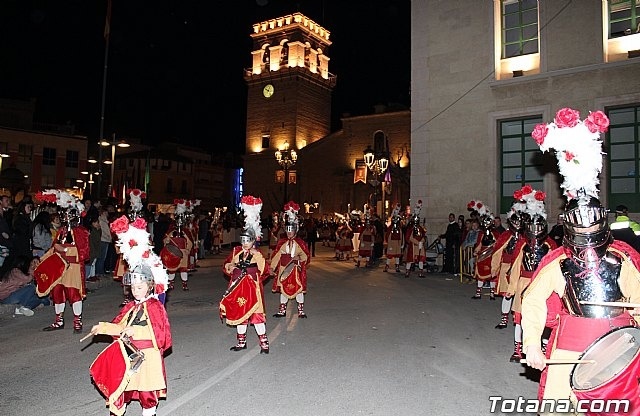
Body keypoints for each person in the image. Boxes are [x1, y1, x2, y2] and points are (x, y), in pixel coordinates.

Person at [522, 107, 640, 406]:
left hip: (619, 343)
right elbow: (534, 301)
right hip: (570, 342)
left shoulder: (620, 259)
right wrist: (532, 345)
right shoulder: (559, 262)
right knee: (559, 408)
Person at [88, 264, 172, 416]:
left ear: (150, 286)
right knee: (120, 389)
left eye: (140, 288)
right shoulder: (131, 307)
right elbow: (120, 326)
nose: (135, 292)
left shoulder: (155, 306)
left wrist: (136, 331)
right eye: (133, 288)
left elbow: (160, 334)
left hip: (147, 357)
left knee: (147, 393)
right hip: (129, 354)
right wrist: (103, 328)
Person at [503, 186, 557, 362]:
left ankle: (543, 348)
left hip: (542, 284)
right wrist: (511, 288)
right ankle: (518, 349)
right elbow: (517, 266)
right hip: (523, 283)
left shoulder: (550, 246)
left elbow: (554, 268)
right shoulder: (523, 245)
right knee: (519, 318)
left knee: (543, 317)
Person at [220, 195, 271, 353]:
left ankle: (264, 343)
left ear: (253, 240)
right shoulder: (236, 251)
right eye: (243, 240)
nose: (244, 243)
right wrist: (231, 266)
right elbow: (227, 266)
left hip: (252, 288)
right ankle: (241, 343)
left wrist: (257, 256)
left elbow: (264, 270)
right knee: (240, 313)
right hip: (238, 286)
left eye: (247, 240)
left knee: (256, 316)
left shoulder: (257, 253)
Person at [38, 191, 90, 333]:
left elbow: (83, 253)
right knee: (57, 292)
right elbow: (54, 248)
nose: (65, 217)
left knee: (74, 294)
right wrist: (41, 260)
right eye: (64, 214)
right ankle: (58, 320)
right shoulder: (61, 231)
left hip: (72, 269)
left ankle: (77, 321)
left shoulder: (81, 232)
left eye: (68, 214)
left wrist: (65, 250)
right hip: (59, 268)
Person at [271, 200, 310, 318]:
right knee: (283, 289)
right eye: (287, 230)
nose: (289, 233)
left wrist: (299, 262)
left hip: (295, 270)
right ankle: (282, 311)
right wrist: (272, 267)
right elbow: (277, 255)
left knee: (298, 289)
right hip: (283, 269)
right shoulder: (282, 242)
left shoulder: (300, 243)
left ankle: (301, 311)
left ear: (295, 230)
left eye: (291, 230)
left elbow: (305, 256)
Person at [491, 201, 525, 329]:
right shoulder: (506, 235)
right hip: (506, 267)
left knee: (519, 294)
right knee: (507, 294)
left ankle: (519, 319)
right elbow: (497, 251)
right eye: (514, 222)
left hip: (520, 269)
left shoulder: (525, 236)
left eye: (519, 222)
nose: (517, 224)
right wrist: (495, 268)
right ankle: (504, 319)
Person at [468, 200, 500, 300]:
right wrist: (476, 251)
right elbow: (479, 244)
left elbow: (498, 245)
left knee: (492, 275)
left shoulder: (496, 233)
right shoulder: (481, 234)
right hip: (482, 256)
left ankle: (492, 293)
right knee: (480, 274)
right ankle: (478, 293)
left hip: (492, 256)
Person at [162, 200, 193, 291]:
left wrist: (188, 249)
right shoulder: (171, 229)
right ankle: (171, 284)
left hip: (183, 252)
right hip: (173, 252)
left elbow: (190, 241)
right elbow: (165, 240)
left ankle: (184, 284)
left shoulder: (185, 230)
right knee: (172, 269)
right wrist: (168, 239)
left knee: (183, 269)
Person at [403, 200, 427, 278]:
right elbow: (409, 237)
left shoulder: (420, 228)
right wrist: (417, 242)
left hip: (420, 246)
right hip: (413, 245)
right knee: (410, 259)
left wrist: (421, 242)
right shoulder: (411, 228)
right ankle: (407, 271)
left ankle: (421, 272)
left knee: (421, 259)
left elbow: (423, 236)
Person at [384, 203, 404, 273]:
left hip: (398, 242)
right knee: (389, 254)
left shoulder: (400, 229)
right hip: (391, 242)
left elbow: (402, 237)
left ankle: (397, 266)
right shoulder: (390, 228)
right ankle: (387, 266)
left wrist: (402, 243)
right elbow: (387, 235)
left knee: (397, 255)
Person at [86, 216, 102, 282]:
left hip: (96, 247)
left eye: (97, 222)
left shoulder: (97, 230)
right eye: (95, 222)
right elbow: (94, 240)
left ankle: (92, 275)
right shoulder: (91, 230)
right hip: (92, 248)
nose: (97, 224)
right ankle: (88, 276)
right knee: (90, 263)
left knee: (93, 262)